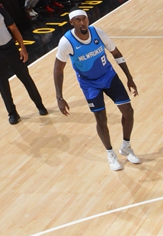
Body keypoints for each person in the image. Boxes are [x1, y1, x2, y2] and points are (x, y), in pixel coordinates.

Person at [53, 9, 139, 171]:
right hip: (89, 84)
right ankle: (110, 153)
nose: (82, 22)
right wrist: (59, 97)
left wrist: (129, 77)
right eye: (77, 20)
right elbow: (58, 70)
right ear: (72, 23)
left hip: (109, 77)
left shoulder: (98, 33)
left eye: (84, 19)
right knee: (101, 118)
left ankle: (126, 146)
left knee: (128, 111)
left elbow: (116, 53)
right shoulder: (66, 42)